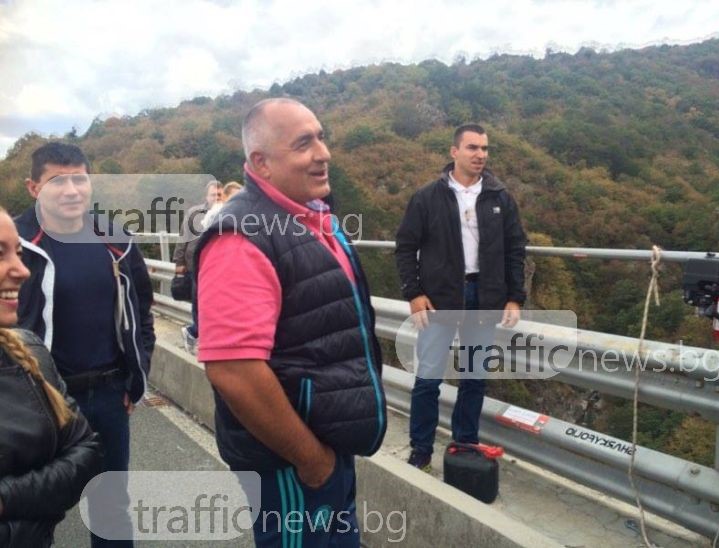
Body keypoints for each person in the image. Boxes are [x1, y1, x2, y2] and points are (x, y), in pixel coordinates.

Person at [196, 98, 387, 547]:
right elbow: (234, 371)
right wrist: (311, 460)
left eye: (321, 137)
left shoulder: (316, 217)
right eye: (303, 144)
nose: (323, 153)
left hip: (327, 447)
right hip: (291, 462)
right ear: (261, 162)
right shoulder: (240, 238)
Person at [15, 142, 156, 547]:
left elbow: (141, 312)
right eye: (57, 181)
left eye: (79, 179)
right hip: (38, 400)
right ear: (33, 187)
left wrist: (135, 378)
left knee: (110, 508)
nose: (71, 190)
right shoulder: (16, 244)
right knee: (28, 513)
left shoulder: (115, 239)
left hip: (108, 395)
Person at [395, 123, 527, 471]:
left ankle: (464, 445)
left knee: (474, 378)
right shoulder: (428, 197)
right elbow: (406, 247)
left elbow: (516, 248)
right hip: (439, 299)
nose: (480, 154)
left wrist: (514, 297)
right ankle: (421, 449)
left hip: (484, 297)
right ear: (454, 151)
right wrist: (414, 293)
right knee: (428, 378)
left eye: (484, 148)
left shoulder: (499, 197)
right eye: (472, 148)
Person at [0, 206, 102, 547]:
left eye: (18, 253)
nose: (22, 270)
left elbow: (85, 453)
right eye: (0, 254)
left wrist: (7, 498)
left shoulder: (29, 351)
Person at [175, 179, 223, 353]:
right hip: (196, 265)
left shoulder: (228, 212)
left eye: (219, 195)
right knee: (199, 302)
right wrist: (179, 262)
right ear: (206, 196)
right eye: (213, 195)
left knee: (214, 303)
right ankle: (197, 334)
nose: (216, 198)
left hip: (218, 267)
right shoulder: (194, 213)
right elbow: (183, 238)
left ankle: (194, 333)